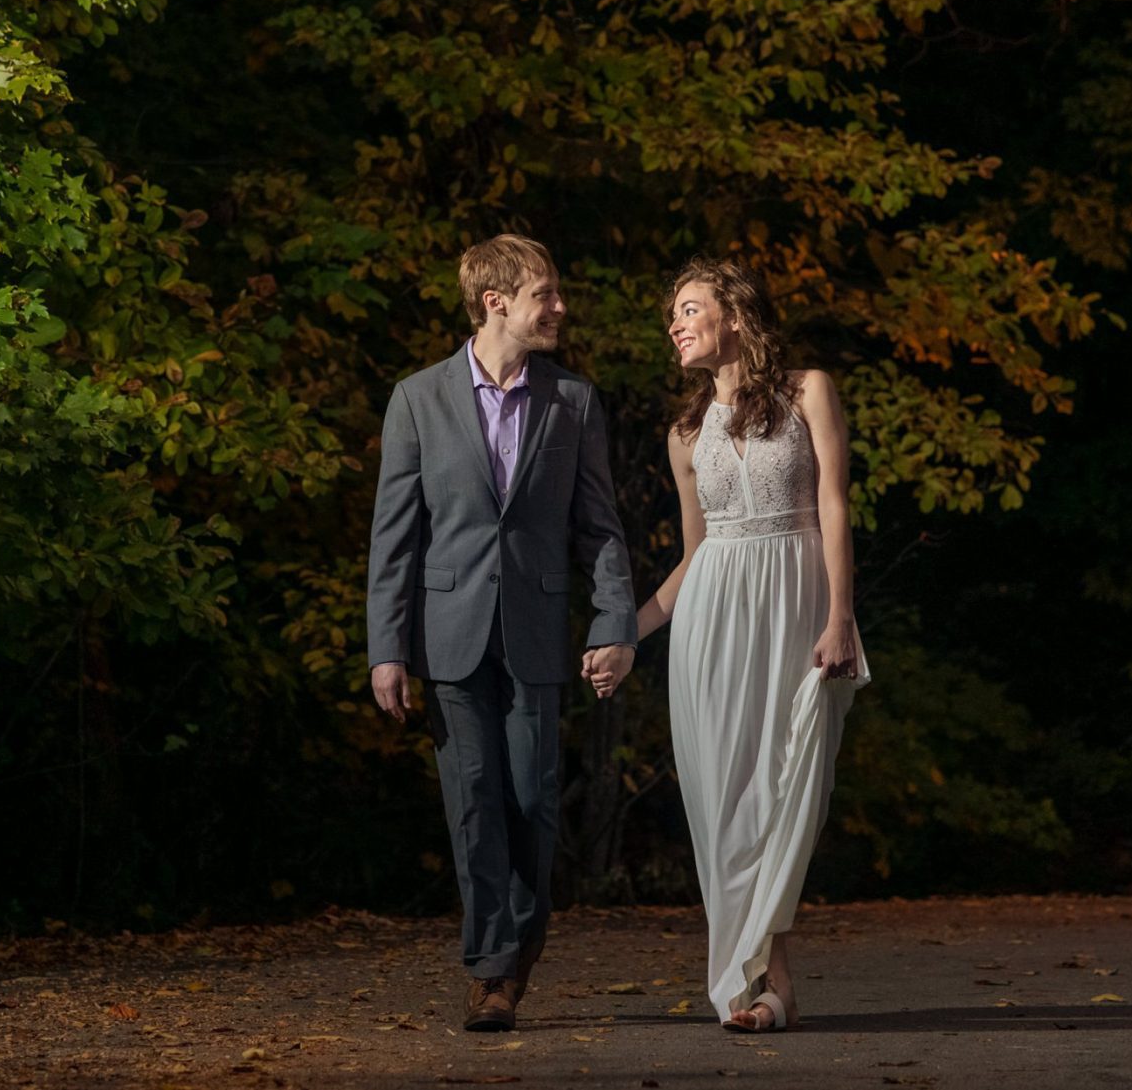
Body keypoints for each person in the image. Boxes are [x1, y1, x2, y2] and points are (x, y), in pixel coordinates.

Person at [367, 233, 638, 1032]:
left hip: (536, 631)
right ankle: (490, 967)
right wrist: (387, 648)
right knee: (474, 800)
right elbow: (394, 537)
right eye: (544, 294)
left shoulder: (573, 401)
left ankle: (519, 943)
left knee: (532, 798)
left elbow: (601, 528)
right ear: (496, 303)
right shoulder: (417, 399)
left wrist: (615, 621)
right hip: (448, 633)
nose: (559, 307)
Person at [602, 257, 868, 1033]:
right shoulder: (686, 433)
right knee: (725, 804)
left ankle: (764, 977)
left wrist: (841, 615)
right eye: (672, 314)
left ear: (737, 314)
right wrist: (624, 635)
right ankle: (765, 986)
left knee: (788, 790)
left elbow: (833, 504)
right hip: (712, 624)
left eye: (689, 308)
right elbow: (693, 557)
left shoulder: (808, 391)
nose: (675, 323)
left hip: (799, 610)